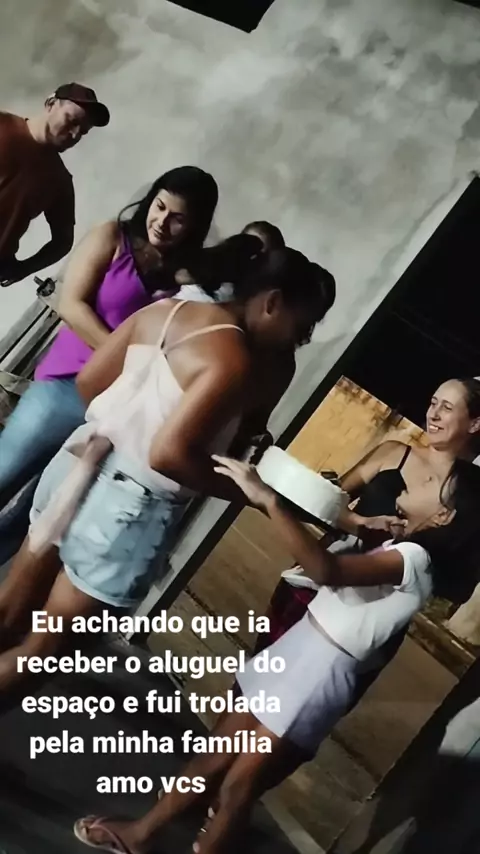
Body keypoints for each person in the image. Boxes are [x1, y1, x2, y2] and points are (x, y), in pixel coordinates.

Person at [72, 453, 480, 854]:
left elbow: (326, 570)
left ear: (444, 516)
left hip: (318, 671)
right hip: (302, 649)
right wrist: (371, 525)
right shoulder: (405, 547)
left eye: (433, 484)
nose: (421, 479)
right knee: (213, 758)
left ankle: (153, 836)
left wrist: (268, 499)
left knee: (237, 787)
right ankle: (141, 834)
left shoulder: (415, 559)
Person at [0, 246, 335, 703]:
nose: (302, 337)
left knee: (10, 611)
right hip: (129, 508)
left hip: (79, 462)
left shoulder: (167, 309)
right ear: (272, 301)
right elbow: (168, 455)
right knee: (45, 652)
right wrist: (253, 494)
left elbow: (89, 381)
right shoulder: (232, 357)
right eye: (303, 325)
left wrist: (130, 422)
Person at [0, 166, 219, 564]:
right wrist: (127, 361)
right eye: (159, 207)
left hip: (114, 416)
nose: (162, 221)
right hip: (63, 388)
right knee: (4, 473)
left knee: (38, 513)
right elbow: (72, 305)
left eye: (178, 218)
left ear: (195, 226)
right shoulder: (111, 237)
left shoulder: (188, 280)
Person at [0, 82, 110, 287]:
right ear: (51, 104)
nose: (75, 135)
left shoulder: (60, 181)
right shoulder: (3, 125)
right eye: (72, 121)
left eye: (83, 131)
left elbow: (63, 242)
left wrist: (23, 268)